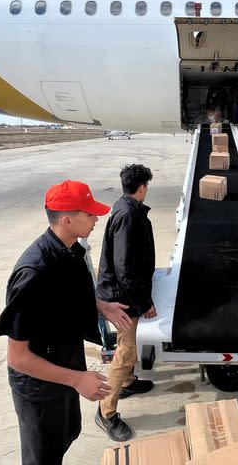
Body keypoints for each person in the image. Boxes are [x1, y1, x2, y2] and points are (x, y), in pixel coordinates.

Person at [0, 180, 132, 465]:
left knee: (67, 434)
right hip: (40, 388)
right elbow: (17, 357)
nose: (96, 219)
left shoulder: (68, 251)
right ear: (67, 220)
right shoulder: (34, 273)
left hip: (63, 370)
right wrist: (78, 379)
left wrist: (101, 307)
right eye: (90, 214)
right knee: (43, 457)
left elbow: (65, 299)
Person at [95, 164, 157, 441]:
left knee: (128, 346)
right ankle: (106, 412)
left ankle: (128, 383)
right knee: (125, 350)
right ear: (141, 187)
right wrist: (144, 304)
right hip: (121, 298)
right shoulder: (128, 215)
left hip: (123, 293)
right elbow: (125, 269)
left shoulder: (125, 208)